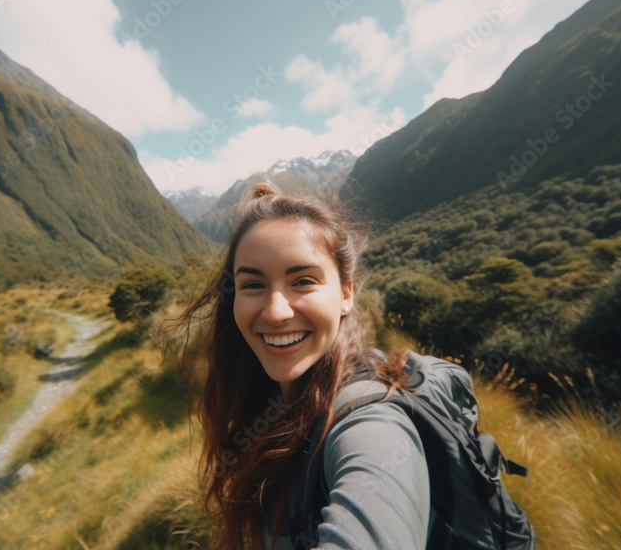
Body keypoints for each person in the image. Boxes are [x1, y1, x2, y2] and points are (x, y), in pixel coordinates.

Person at [165, 182, 440, 549]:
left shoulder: (373, 424)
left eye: (304, 281)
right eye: (253, 285)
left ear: (346, 294)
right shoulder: (270, 402)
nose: (276, 312)